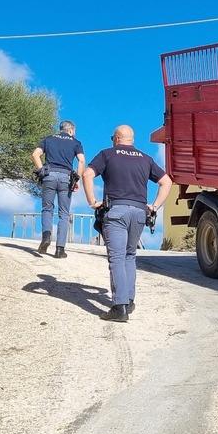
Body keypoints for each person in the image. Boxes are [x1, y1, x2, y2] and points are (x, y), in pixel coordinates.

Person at [83, 125, 172, 322]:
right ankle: (129, 301)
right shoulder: (145, 158)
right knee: (130, 256)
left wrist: (92, 201)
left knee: (116, 258)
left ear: (115, 138)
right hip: (139, 213)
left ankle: (119, 307)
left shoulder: (107, 154)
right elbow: (166, 181)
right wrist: (155, 206)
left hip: (116, 211)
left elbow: (87, 174)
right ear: (131, 140)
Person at [32, 120, 86, 258]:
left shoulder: (48, 139)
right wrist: (77, 178)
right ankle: (60, 249)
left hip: (49, 175)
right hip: (65, 178)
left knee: (47, 208)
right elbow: (81, 160)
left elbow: (35, 154)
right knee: (64, 213)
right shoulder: (76, 142)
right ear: (71, 130)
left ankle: (46, 237)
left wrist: (40, 170)